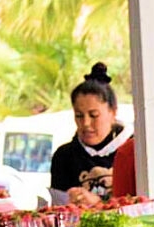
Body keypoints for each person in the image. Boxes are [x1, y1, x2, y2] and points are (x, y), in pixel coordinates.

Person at [50, 62, 133, 206]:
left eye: (94, 115)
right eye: (79, 116)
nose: (86, 123)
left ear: (112, 112)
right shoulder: (64, 157)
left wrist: (99, 204)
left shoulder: (131, 151)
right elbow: (58, 208)